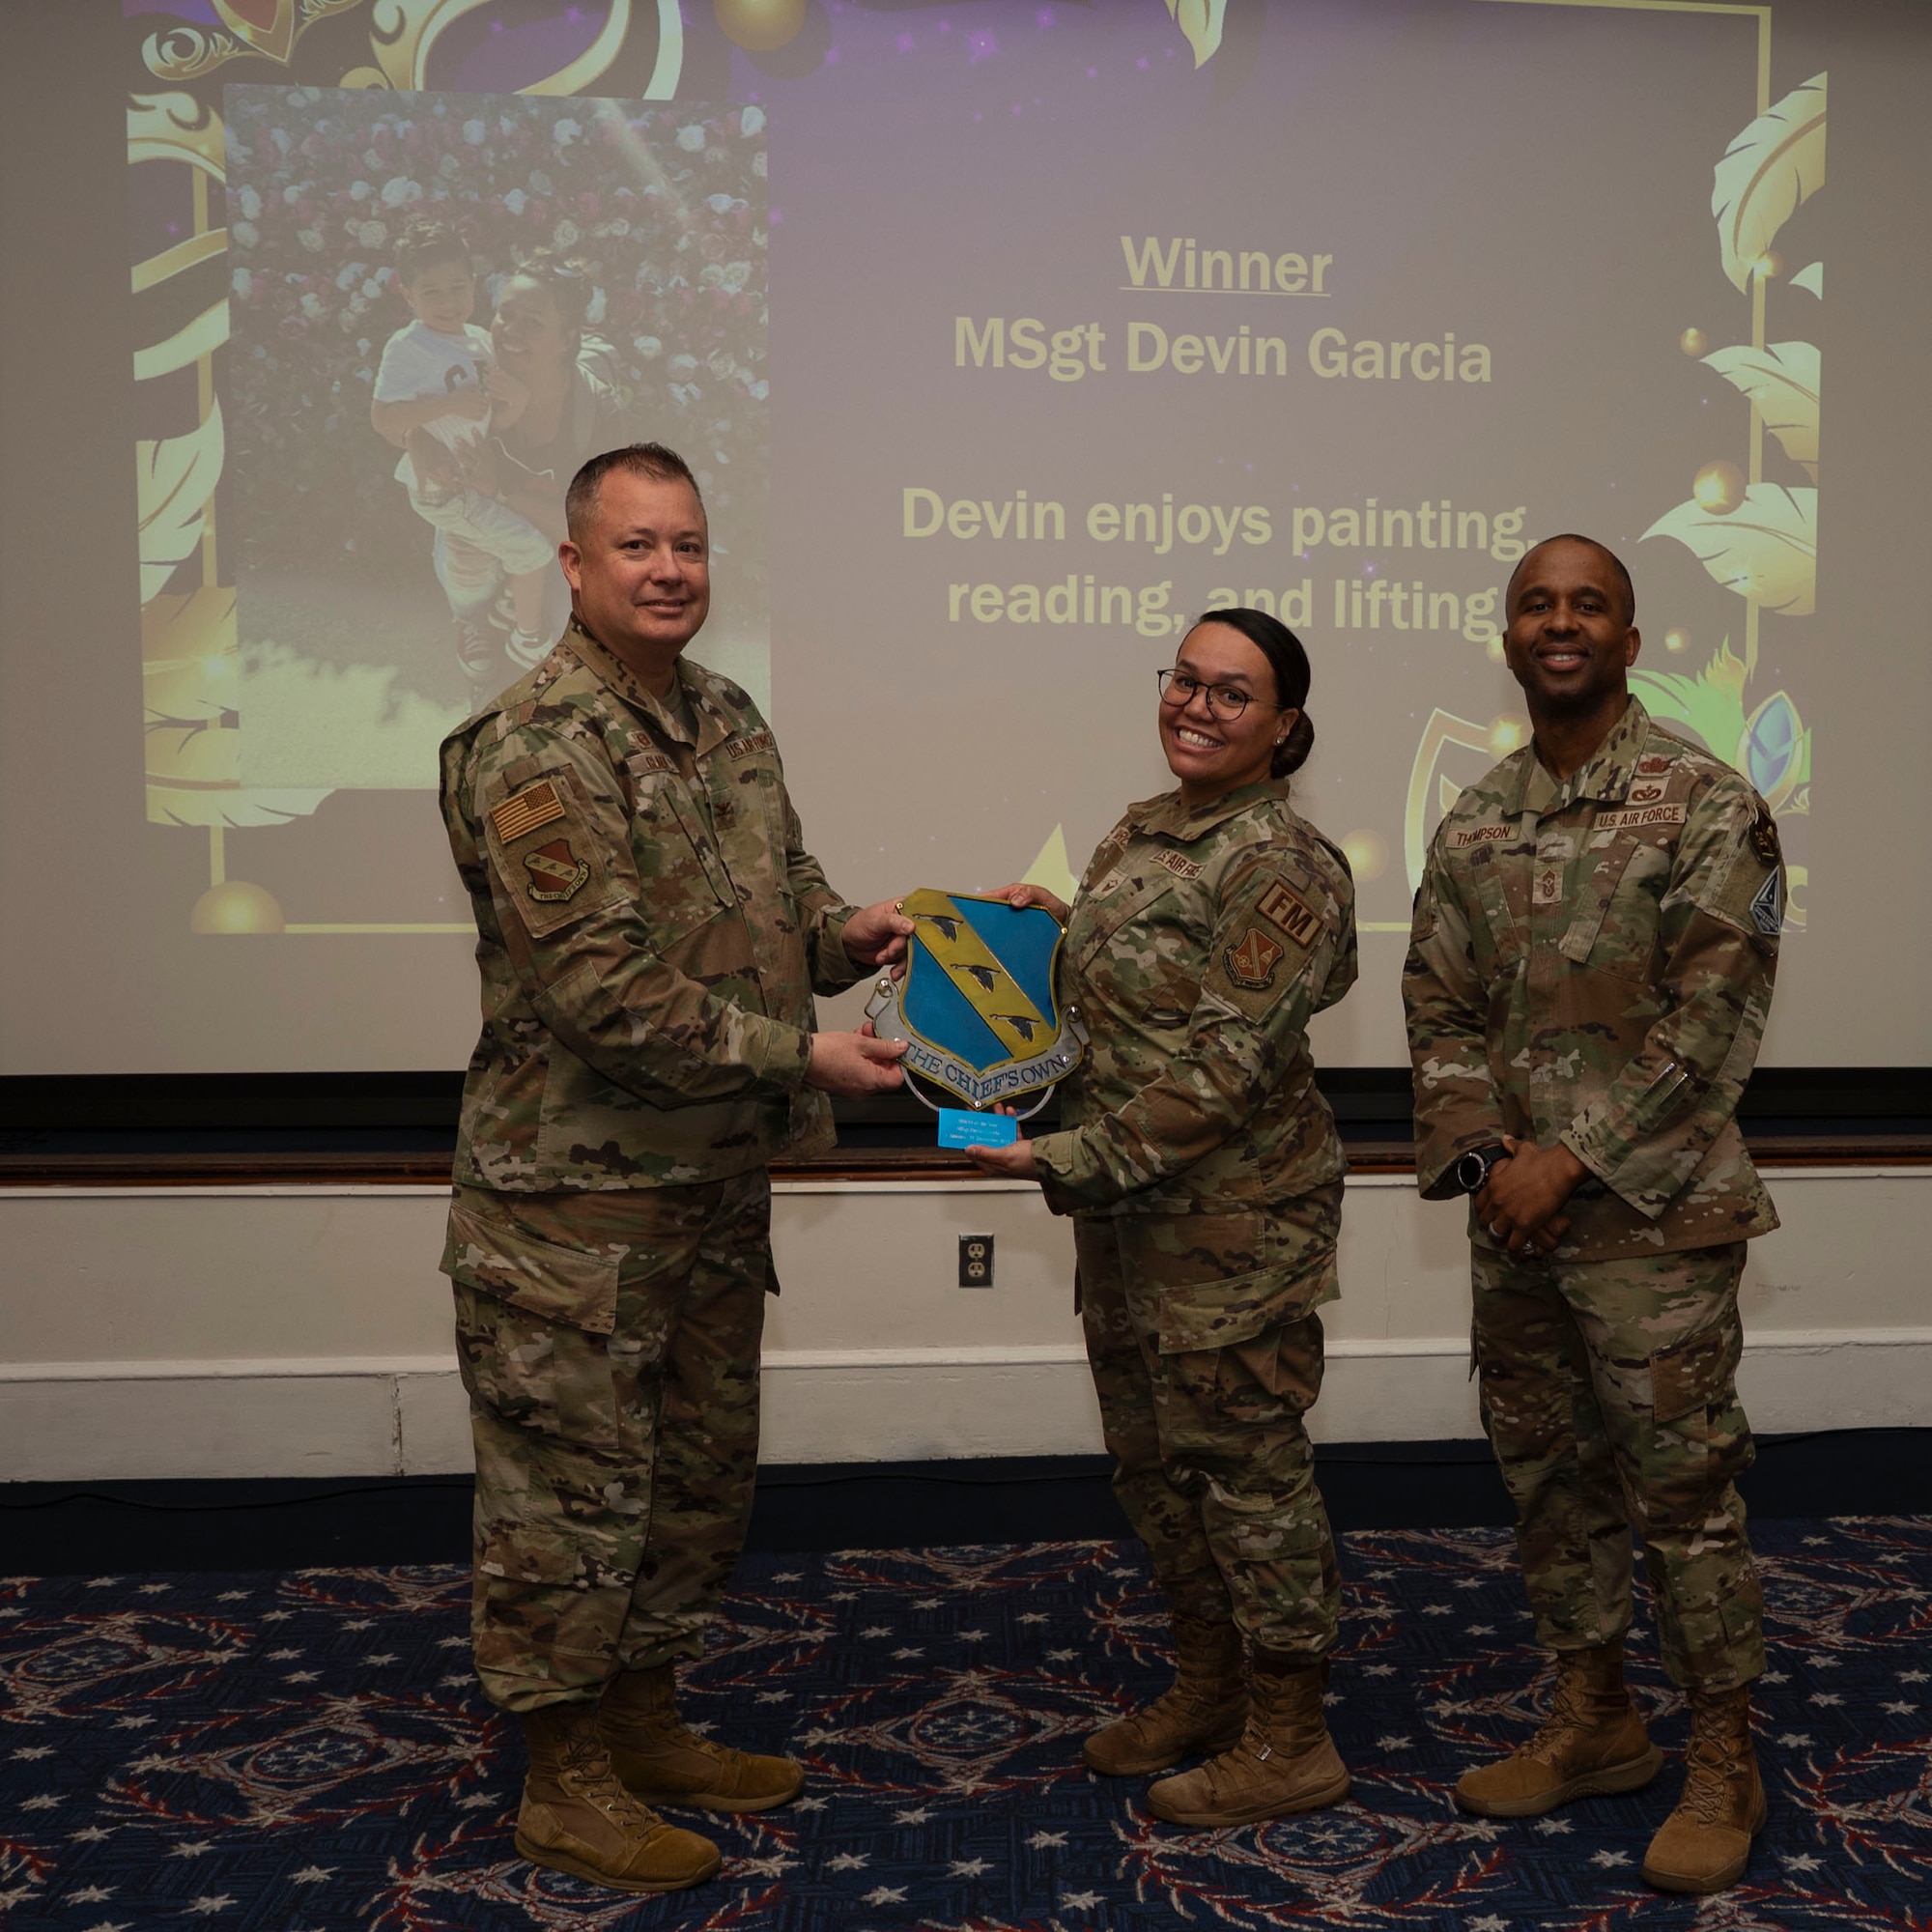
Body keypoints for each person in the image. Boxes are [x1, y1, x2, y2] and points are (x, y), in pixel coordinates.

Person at [437, 440, 912, 1893]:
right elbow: (608, 997)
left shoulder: (727, 716)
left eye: (689, 545)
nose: (669, 570)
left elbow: (784, 903)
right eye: (637, 546)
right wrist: (806, 1056)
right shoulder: (530, 746)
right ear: (573, 567)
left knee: (695, 1486)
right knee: (566, 1504)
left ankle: (644, 1721)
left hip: (710, 1191)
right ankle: (562, 1777)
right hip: (571, 1213)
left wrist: (870, 930)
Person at [1402, 534, 1785, 1896]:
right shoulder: (1474, 819)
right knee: (1550, 1487)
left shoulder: (1702, 802)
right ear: (1509, 637)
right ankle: (1598, 1721)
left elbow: (1716, 1021)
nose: (1559, 623)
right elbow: (1437, 1007)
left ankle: (1725, 1759)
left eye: (1589, 606)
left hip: (1655, 1228)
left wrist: (1569, 1160)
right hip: (1515, 1222)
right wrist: (1493, 1154)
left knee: (1683, 1500)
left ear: (1629, 639)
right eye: (1536, 605)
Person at [967, 608, 1358, 1827]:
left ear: (1283, 725)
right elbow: (1125, 998)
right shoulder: (1144, 830)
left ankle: (1292, 1736)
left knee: (1247, 1479)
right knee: (1152, 1468)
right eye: (1182, 679)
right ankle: (1207, 1684)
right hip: (1131, 1223)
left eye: (1230, 694)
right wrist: (1049, 933)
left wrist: (1058, 1156)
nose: (1195, 705)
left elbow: (1222, 1066)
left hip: (1232, 1226)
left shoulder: (1281, 866)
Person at [426, 255, 633, 675]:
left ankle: (522, 615)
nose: (510, 332)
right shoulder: (470, 383)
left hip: (561, 548)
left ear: (566, 338)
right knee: (464, 548)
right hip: (488, 538)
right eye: (506, 314)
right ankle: (473, 617)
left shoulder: (597, 413)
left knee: (573, 649)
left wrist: (502, 491)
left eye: (533, 323)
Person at [370, 219, 554, 670]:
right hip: (443, 487)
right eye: (431, 291)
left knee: (494, 549)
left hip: (477, 476)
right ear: (407, 293)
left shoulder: (478, 341)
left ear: (474, 283)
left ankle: (500, 612)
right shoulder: (408, 346)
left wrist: (516, 401)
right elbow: (383, 420)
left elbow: (492, 424)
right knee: (530, 551)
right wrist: (448, 403)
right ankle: (524, 641)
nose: (448, 302)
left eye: (457, 287)